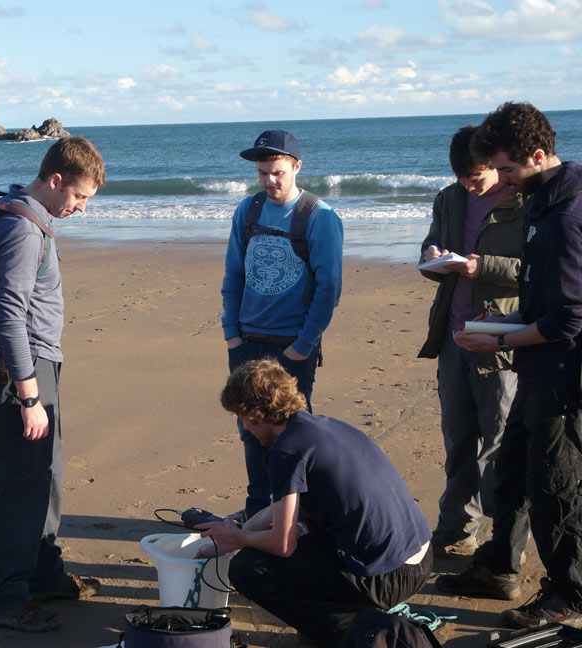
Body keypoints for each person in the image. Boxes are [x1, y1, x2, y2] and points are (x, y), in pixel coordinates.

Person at [436, 102, 582, 629]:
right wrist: (500, 330)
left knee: (556, 485)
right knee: (514, 470)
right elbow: (543, 299)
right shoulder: (543, 200)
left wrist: (500, 342)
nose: (506, 182)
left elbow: (567, 320)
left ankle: (570, 593)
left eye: (509, 170)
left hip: (566, 373)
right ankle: (497, 564)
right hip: (536, 362)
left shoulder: (567, 212)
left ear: (537, 156)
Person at [198, 358, 432, 647]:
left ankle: (345, 629)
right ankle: (349, 614)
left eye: (242, 418)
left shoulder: (285, 452)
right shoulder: (322, 427)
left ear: (257, 414)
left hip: (388, 576)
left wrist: (239, 539)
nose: (245, 428)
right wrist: (236, 531)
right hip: (421, 557)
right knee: (302, 536)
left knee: (247, 568)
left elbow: (283, 546)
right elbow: (280, 509)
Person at [0, 137, 105, 632]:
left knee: (46, 475)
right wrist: (29, 395)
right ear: (55, 181)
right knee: (19, 486)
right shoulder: (24, 231)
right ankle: (5, 600)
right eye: (78, 197)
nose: (80, 208)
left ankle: (43, 574)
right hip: (18, 373)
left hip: (35, 367)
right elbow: (9, 316)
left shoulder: (24, 215)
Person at [221, 129, 344, 524]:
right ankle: (259, 508)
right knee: (250, 430)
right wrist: (231, 334)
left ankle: (295, 515)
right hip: (246, 342)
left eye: (277, 172)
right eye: (262, 174)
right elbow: (233, 276)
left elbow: (329, 290)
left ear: (296, 167)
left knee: (290, 436)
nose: (270, 181)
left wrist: (303, 346)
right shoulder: (248, 210)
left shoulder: (319, 217)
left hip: (292, 346)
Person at [418, 126, 526, 557]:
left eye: (476, 177)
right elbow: (431, 249)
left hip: (501, 333)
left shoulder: (525, 201)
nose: (468, 185)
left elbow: (541, 270)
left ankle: (504, 538)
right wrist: (431, 257)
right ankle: (457, 527)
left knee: (500, 438)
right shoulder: (449, 197)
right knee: (458, 434)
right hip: (453, 332)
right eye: (462, 177)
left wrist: (486, 267)